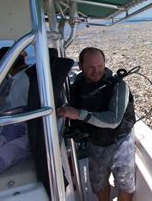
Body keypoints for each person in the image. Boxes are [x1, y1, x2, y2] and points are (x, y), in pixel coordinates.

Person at [58, 47, 136, 201]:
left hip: (120, 143)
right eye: (90, 67)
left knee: (125, 185)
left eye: (100, 66)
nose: (96, 71)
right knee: (98, 184)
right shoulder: (78, 86)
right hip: (95, 142)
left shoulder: (119, 86)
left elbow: (113, 120)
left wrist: (78, 114)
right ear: (80, 66)